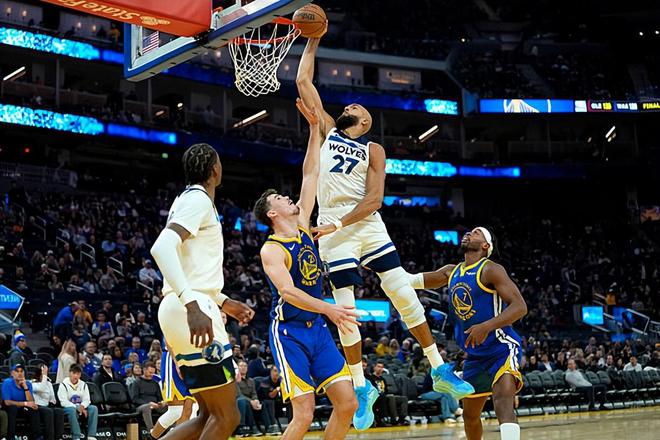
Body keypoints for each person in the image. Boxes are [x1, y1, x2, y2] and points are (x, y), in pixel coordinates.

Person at [295, 32, 473, 430]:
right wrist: (313, 41)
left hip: (363, 224)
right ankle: (362, 388)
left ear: (365, 122)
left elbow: (374, 200)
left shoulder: (373, 149)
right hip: (333, 226)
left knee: (403, 294)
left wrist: (338, 223)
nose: (350, 105)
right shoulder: (326, 130)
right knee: (346, 311)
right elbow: (303, 81)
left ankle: (439, 369)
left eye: (357, 107)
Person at [255, 99, 359, 439]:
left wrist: (315, 129)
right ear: (272, 214)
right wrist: (329, 308)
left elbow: (311, 173)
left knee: (348, 404)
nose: (288, 198)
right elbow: (288, 292)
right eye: (280, 199)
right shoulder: (271, 249)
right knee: (304, 414)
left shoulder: (302, 225)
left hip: (318, 330)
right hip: (290, 332)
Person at [150, 143, 256, 440]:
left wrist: (223, 300)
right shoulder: (197, 200)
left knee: (209, 414)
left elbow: (189, 265)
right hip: (190, 308)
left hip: (182, 305)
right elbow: (161, 247)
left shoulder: (185, 200)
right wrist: (193, 305)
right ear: (215, 170)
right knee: (227, 416)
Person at [406, 227, 528, 440]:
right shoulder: (451, 271)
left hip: (501, 348)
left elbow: (520, 307)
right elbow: (409, 280)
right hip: (475, 355)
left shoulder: (490, 269)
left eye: (476, 233)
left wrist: (486, 326)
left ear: (486, 245)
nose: (469, 234)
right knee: (470, 416)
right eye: (470, 232)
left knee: (503, 402)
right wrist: (383, 269)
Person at [151, 342, 197, 439]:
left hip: (191, 358)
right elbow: (168, 341)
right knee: (176, 411)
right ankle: (151, 437)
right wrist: (177, 363)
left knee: (191, 408)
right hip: (173, 359)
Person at [57, 364, 98, 440]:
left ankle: (91, 435)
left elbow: (87, 399)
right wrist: (77, 407)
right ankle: (76, 436)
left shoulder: (83, 384)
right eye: (74, 373)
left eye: (78, 374)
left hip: (81, 407)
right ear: (70, 373)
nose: (76, 376)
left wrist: (82, 406)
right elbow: (63, 402)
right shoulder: (63, 385)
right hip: (69, 408)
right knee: (72, 410)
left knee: (93, 408)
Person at [3, 364, 42, 440]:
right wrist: (25, 403)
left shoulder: (28, 383)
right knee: (13, 408)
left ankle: (37, 437)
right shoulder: (7, 382)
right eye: (17, 371)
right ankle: (11, 437)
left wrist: (25, 387)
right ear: (12, 373)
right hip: (10, 408)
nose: (20, 373)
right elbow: (7, 402)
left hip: (22, 408)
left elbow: (31, 402)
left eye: (21, 371)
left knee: (33, 409)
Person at [366, 361, 408, 426]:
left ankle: (402, 419)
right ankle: (393, 419)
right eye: (378, 367)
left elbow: (386, 391)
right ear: (374, 368)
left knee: (403, 399)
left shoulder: (383, 379)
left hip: (384, 396)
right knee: (390, 397)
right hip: (376, 397)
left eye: (381, 367)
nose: (380, 368)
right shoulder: (370, 378)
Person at [128, 360, 166, 431]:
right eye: (150, 372)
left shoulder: (155, 383)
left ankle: (171, 429)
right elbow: (135, 399)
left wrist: (161, 402)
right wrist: (149, 403)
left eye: (153, 373)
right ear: (144, 370)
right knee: (147, 407)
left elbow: (159, 397)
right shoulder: (136, 382)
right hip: (141, 406)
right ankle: (151, 430)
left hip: (155, 405)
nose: (152, 374)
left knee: (169, 406)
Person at [32, 363, 65, 440]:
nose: (45, 373)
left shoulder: (48, 383)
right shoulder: (32, 383)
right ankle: (49, 437)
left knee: (59, 411)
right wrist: (44, 375)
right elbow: (42, 388)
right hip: (37, 406)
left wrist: (52, 400)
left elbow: (52, 396)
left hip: (47, 405)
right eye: (43, 371)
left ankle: (58, 437)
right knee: (48, 411)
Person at [235, 360, 265, 437]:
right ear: (237, 368)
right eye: (241, 366)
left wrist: (256, 400)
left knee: (264, 403)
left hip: (250, 401)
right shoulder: (235, 381)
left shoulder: (251, 381)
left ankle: (269, 426)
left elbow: (254, 393)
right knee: (244, 402)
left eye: (245, 366)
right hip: (238, 401)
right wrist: (251, 401)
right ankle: (246, 427)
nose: (243, 368)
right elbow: (239, 394)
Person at [257, 366, 282, 435]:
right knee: (269, 402)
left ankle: (291, 424)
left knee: (290, 402)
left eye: (278, 371)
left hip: (275, 401)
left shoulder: (280, 380)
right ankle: (271, 426)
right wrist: (276, 390)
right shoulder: (265, 381)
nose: (277, 373)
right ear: (271, 372)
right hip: (262, 400)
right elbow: (270, 396)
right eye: (275, 371)